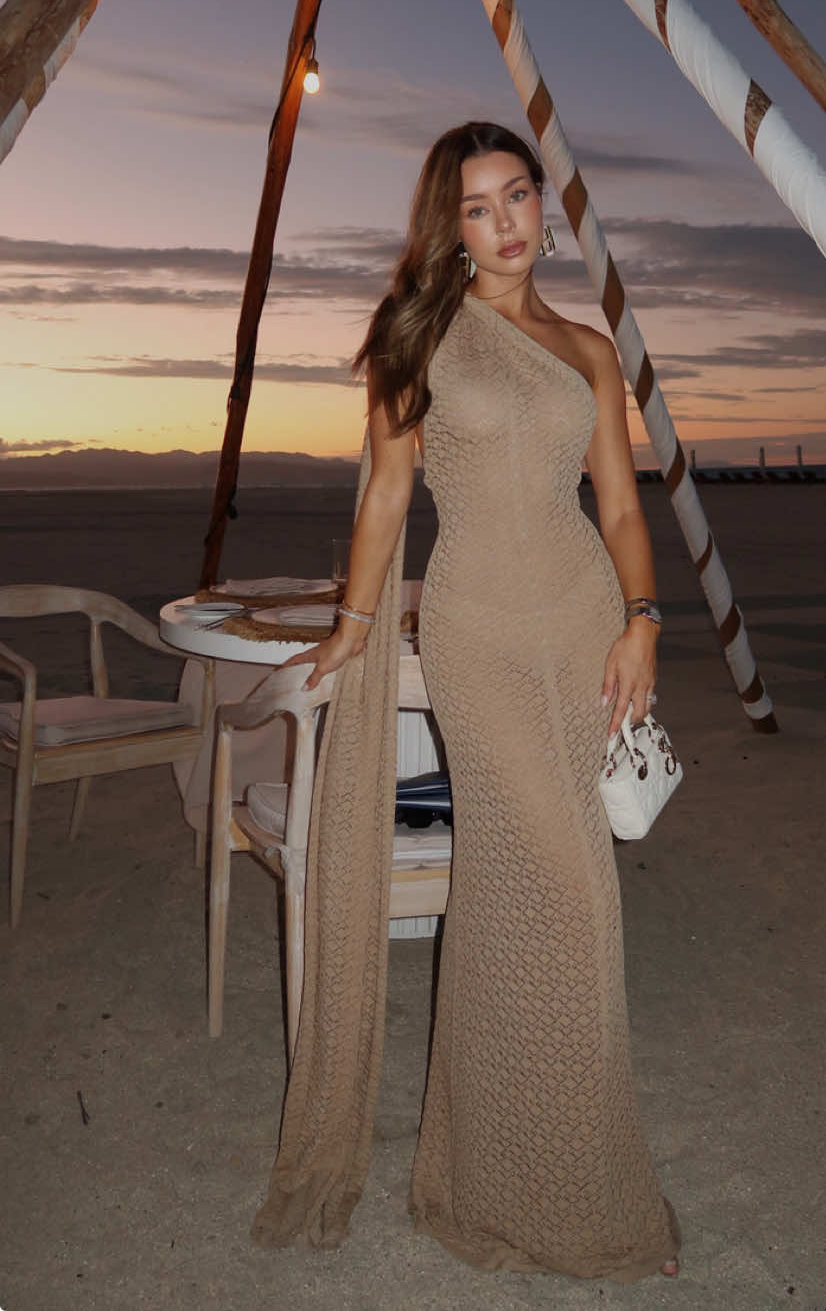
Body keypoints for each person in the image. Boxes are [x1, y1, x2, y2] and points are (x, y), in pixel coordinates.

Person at [257, 121, 680, 1282]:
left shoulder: (587, 347)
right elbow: (386, 497)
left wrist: (643, 620)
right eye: (477, 208)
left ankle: (509, 1168)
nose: (504, 224)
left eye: (518, 196)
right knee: (568, 892)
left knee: (521, 898)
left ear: (544, 203)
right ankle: (554, 1185)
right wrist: (352, 630)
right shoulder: (422, 331)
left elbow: (621, 508)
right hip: (478, 633)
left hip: (581, 620)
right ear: (448, 227)